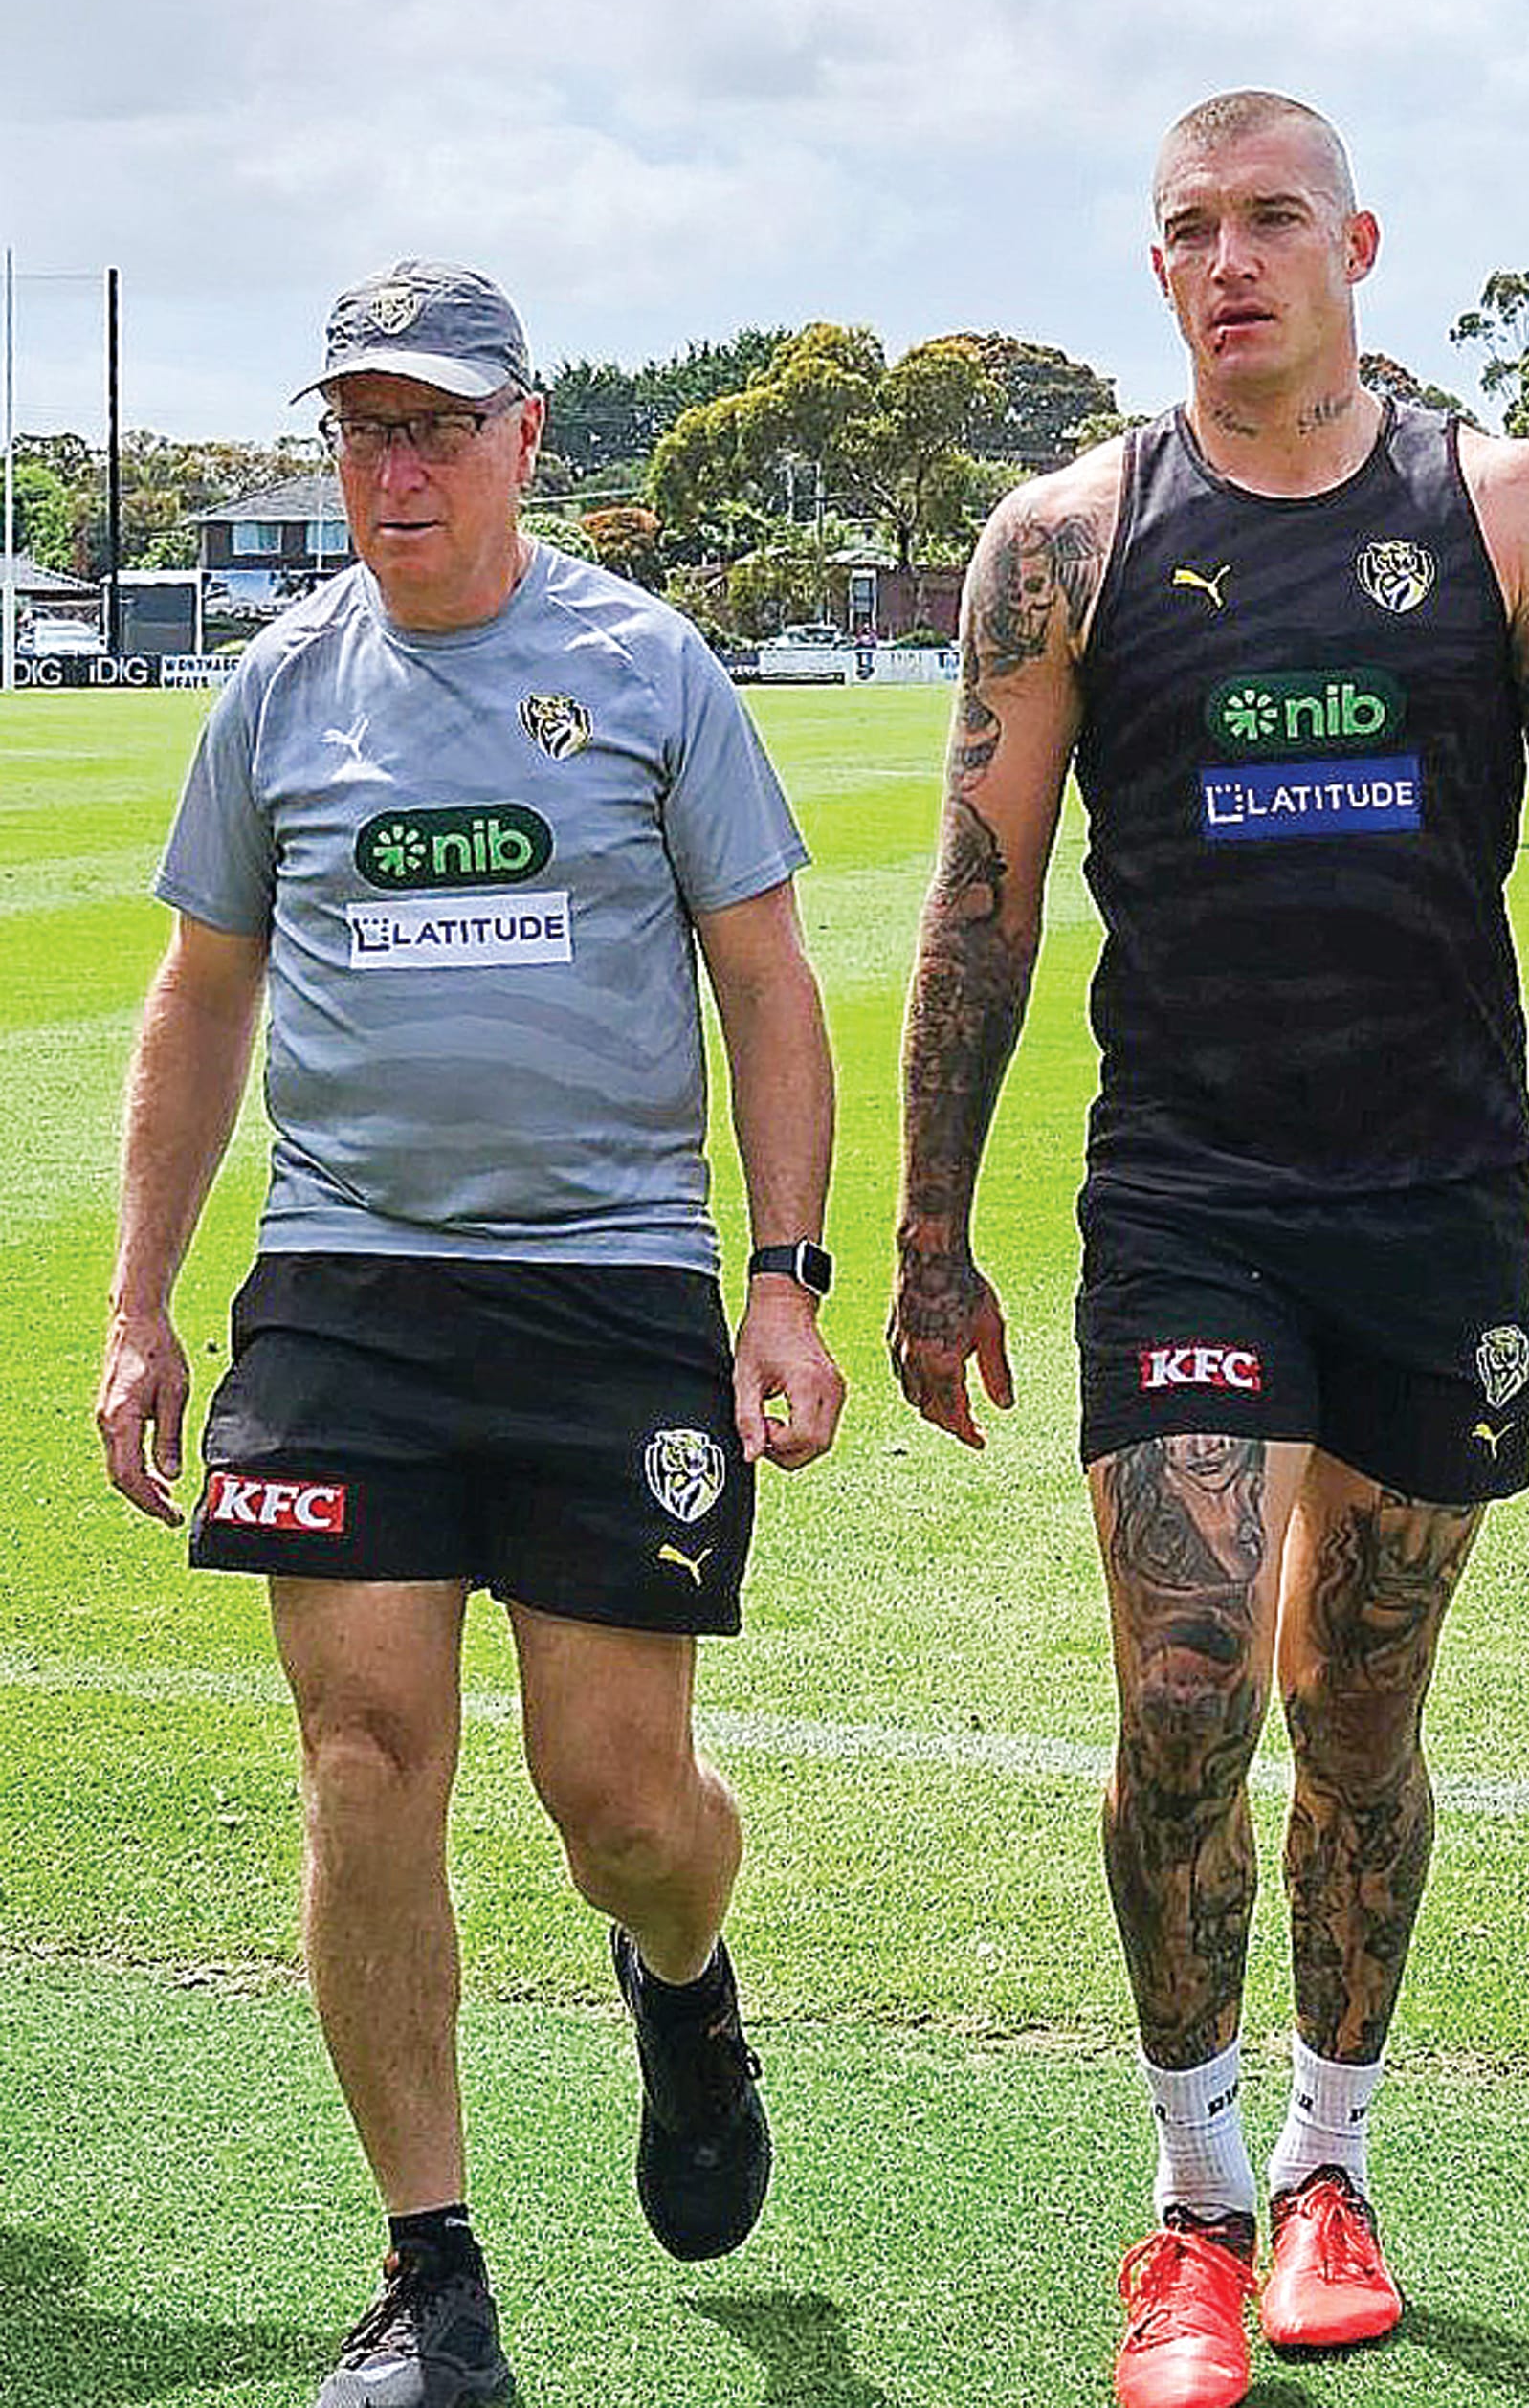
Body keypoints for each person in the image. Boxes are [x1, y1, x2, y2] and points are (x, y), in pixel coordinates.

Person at [889, 93, 1529, 2408]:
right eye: (1185, 230)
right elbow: (978, 897)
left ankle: (1334, 2162)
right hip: (1187, 1203)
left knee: (1360, 1708)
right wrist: (929, 1237)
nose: (1227, 259)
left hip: (1433, 1201)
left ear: (1357, 240)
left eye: (1267, 221)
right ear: (1156, 273)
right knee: (1181, 1694)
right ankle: (1194, 2195)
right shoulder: (1062, 537)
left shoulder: (1505, 506)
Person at [97, 260, 845, 2408]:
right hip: (345, 1294)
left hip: (609, 1288)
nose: (391, 465)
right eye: (357, 427)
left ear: (525, 437)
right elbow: (201, 992)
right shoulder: (277, 688)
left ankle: (681, 1982)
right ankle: (432, 2277)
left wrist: (778, 1282)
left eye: (431, 424)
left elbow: (765, 977)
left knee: (617, 1799)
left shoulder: (644, 667)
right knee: (362, 1758)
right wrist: (141, 1306)